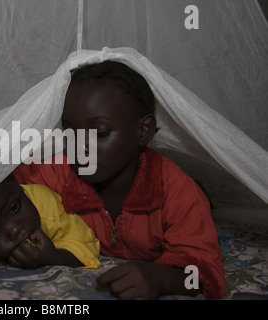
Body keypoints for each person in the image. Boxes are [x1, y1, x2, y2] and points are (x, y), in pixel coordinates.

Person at [13, 60, 226, 299]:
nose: (80, 147)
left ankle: (206, 196)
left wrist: (161, 278)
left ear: (143, 130)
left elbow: (205, 274)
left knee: (197, 200)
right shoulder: (57, 173)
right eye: (69, 133)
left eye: (101, 133)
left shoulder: (176, 190)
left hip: (183, 194)